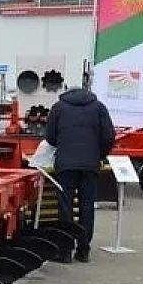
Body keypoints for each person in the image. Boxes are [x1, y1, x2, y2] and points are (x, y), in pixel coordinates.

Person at [44, 85, 116, 262]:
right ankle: (83, 250)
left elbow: (50, 136)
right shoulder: (99, 107)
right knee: (86, 206)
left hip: (65, 165)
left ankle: (65, 250)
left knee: (65, 206)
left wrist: (62, 146)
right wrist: (99, 154)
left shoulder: (58, 107)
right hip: (90, 165)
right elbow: (109, 136)